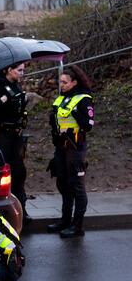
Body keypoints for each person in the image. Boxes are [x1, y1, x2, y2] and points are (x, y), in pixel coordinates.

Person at [46, 65, 94, 238]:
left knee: (77, 188)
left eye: (65, 82)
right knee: (63, 184)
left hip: (75, 149)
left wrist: (75, 112)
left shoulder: (83, 99)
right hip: (61, 148)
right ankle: (65, 220)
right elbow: (55, 121)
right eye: (60, 82)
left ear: (74, 82)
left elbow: (88, 125)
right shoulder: (61, 98)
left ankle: (77, 226)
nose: (62, 85)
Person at [0, 61, 31, 224]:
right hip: (2, 135)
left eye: (23, 70)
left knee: (19, 173)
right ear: (8, 70)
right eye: (19, 70)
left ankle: (22, 209)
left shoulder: (16, 87)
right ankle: (0, 210)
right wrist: (2, 100)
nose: (21, 73)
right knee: (3, 173)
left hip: (16, 136)